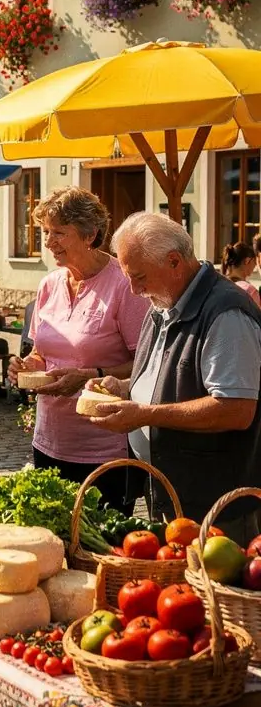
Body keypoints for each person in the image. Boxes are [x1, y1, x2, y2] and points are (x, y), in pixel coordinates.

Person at [90, 211, 261, 541]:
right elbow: (167, 377)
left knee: (211, 589)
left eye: (139, 277)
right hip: (171, 491)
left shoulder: (226, 313)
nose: (134, 289)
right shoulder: (164, 301)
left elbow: (236, 409)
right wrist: (124, 388)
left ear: (174, 262)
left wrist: (144, 415)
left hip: (215, 505)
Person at [7, 187, 149, 511]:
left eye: (59, 233)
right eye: (46, 232)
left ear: (90, 234)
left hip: (104, 448)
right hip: (49, 440)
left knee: (100, 547)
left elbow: (146, 362)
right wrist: (27, 366)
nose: (48, 243)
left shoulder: (123, 285)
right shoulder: (49, 285)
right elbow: (41, 353)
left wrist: (91, 375)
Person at [220, 240, 261, 308]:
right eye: (254, 262)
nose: (255, 265)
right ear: (247, 261)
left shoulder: (219, 286)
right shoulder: (249, 291)